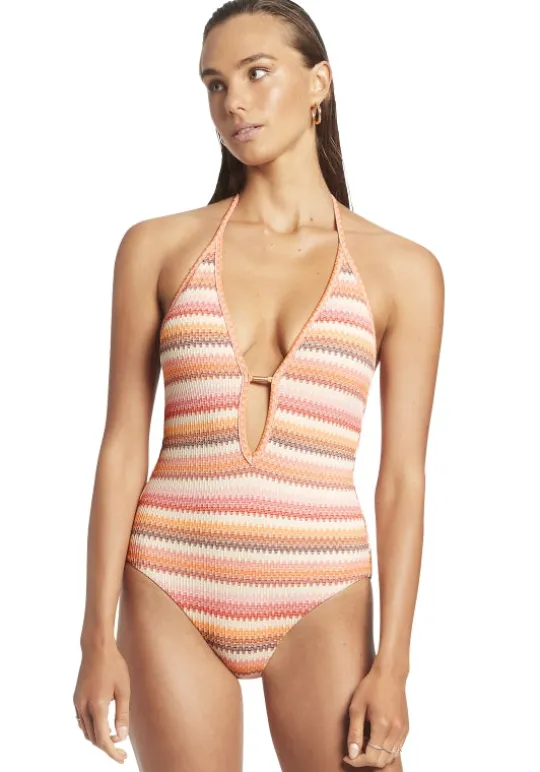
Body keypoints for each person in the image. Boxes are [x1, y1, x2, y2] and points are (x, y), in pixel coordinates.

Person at [73, 1, 444, 769]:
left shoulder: (403, 270)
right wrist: (94, 639)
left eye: (256, 73)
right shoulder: (156, 248)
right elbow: (121, 448)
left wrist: (394, 665)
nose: (232, 103)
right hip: (169, 577)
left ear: (319, 85)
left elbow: (403, 478)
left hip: (321, 590)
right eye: (214, 84)